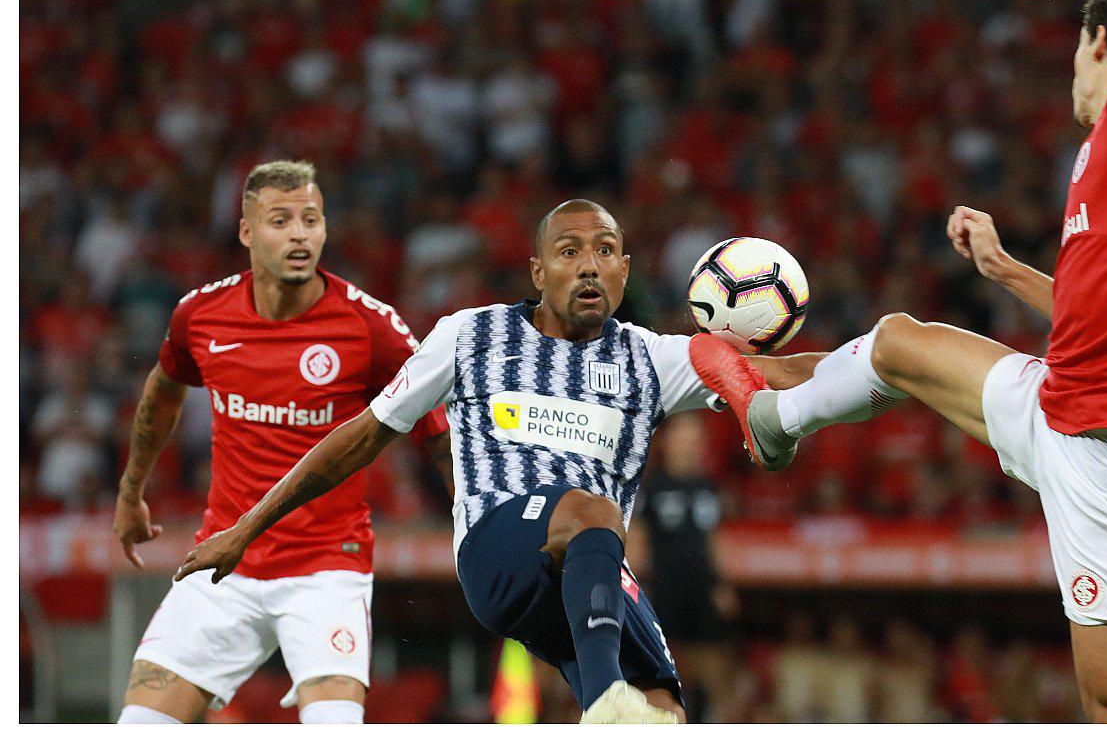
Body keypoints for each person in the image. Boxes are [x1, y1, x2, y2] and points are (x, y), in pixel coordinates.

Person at [690, 0, 1107, 723]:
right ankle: (771, 417)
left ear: (1094, 40)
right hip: (1064, 404)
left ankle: (754, 403)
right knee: (898, 344)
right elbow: (1097, 318)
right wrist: (1003, 271)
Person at [172, 199, 819, 723]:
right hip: (498, 549)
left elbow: (780, 373)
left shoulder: (650, 356)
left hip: (592, 558)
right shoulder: (469, 335)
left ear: (625, 268)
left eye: (603, 251)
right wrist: (250, 524)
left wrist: (876, 364)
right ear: (538, 270)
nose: (588, 266)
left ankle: (623, 706)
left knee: (665, 709)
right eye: (569, 251)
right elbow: (362, 435)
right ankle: (602, 702)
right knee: (587, 511)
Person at [113, 161, 452, 724]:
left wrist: (473, 520)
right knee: (139, 727)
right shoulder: (200, 315)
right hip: (223, 565)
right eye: (280, 220)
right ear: (247, 232)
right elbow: (162, 393)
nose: (300, 234)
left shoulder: (370, 326)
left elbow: (438, 425)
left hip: (326, 570)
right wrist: (131, 493)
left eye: (311, 219)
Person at [628, 413, 738, 722]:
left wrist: (722, 584)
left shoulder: (709, 488)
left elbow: (714, 540)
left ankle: (710, 722)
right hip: (665, 590)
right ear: (668, 443)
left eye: (696, 439)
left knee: (713, 667)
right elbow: (637, 538)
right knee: (668, 668)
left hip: (702, 590)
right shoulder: (651, 487)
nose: (691, 446)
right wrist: (635, 590)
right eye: (685, 438)